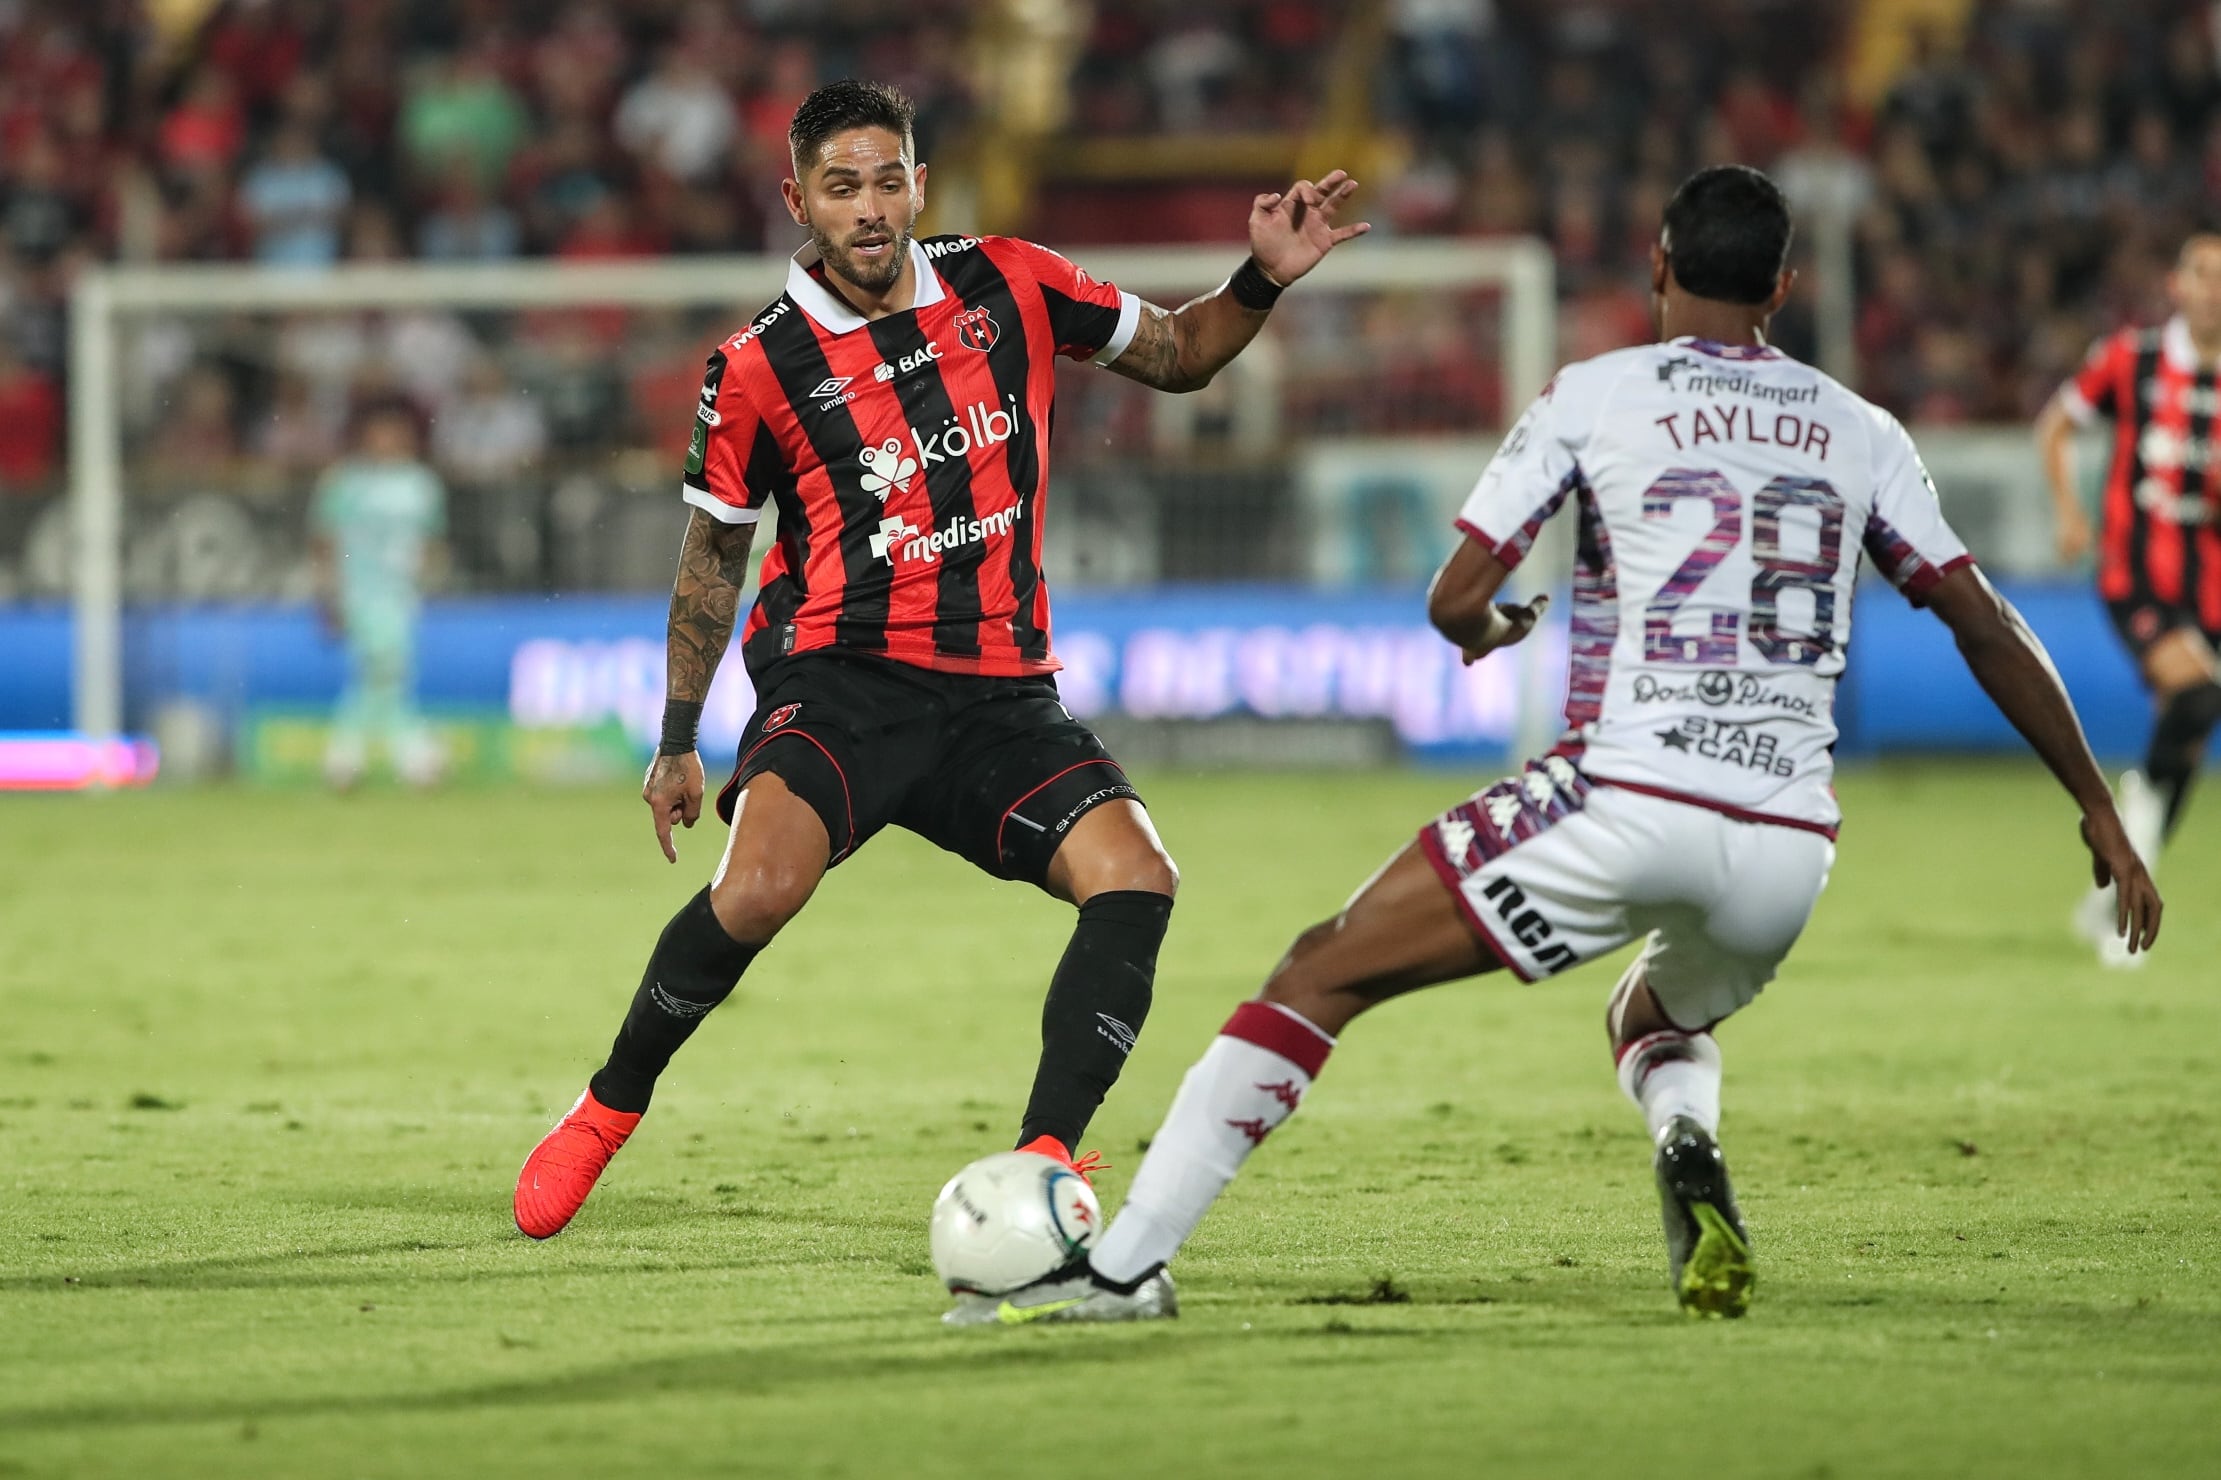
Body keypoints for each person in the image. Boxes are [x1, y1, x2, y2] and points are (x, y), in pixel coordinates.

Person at [953, 165, 2163, 1326]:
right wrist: (2099, 804)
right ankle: (1688, 1147)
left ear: (1656, 265)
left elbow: (1453, 594)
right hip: (1789, 844)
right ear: (1784, 288)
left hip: (1626, 795)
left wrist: (1490, 626)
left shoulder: (1598, 393)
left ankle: (1119, 1272)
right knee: (1653, 1018)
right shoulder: (1861, 431)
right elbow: (1983, 619)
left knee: (1318, 974)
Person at [512, 80, 1369, 1239]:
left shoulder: (1009, 278)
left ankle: (1045, 1163)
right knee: (757, 888)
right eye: (839, 185)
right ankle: (607, 1107)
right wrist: (676, 739)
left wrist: (1261, 276)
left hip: (1001, 694)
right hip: (840, 682)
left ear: (919, 183)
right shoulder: (756, 366)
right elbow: (711, 562)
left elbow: (1176, 354)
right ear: (797, 200)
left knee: (1137, 877)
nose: (867, 208)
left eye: (885, 180)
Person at [2037, 233, 2221, 968]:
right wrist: (2068, 512)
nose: (2213, 288)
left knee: (2180, 746)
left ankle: (2109, 881)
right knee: (2197, 700)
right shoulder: (2129, 358)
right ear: (2175, 285)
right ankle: (2123, 917)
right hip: (2134, 574)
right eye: (2202, 274)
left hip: (2206, 586)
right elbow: (2054, 425)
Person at [310, 399, 447, 789]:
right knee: (384, 670)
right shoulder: (344, 484)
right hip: (360, 592)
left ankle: (346, 757)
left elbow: (431, 542)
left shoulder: (420, 485)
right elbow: (324, 542)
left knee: (381, 676)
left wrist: (428, 582)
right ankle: (413, 755)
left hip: (402, 594)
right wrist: (327, 593)